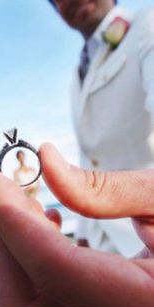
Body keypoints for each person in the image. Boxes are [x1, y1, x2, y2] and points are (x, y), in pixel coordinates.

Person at [0, 143, 154, 307]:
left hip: (137, 233)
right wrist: (83, 237)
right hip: (92, 231)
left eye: (22, 157)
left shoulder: (30, 171)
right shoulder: (19, 173)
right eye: (19, 157)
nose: (21, 160)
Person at [47, 0, 154, 256]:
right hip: (99, 246)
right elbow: (89, 157)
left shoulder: (147, 25)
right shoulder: (76, 75)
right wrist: (83, 237)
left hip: (144, 241)